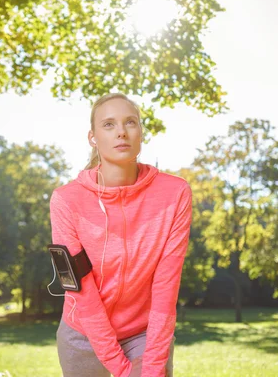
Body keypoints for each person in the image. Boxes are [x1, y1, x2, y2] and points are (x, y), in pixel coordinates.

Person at [49, 93, 192, 377]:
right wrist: (119, 367)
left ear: (140, 132)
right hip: (84, 335)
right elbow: (82, 289)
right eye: (109, 125)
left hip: (145, 335)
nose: (121, 132)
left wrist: (151, 368)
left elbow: (166, 285)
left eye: (130, 122)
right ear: (92, 137)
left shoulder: (174, 194)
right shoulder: (66, 200)